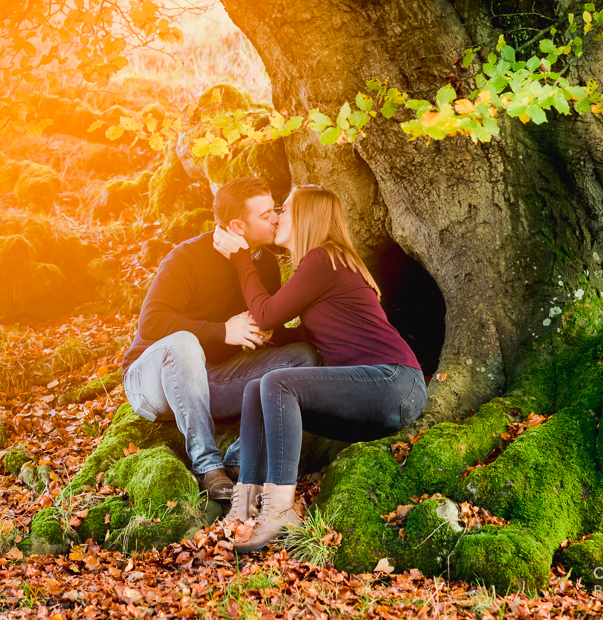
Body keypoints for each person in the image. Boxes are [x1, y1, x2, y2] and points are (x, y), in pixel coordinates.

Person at [214, 184, 427, 551]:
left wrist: (241, 259)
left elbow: (266, 312)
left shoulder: (324, 258)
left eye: (285, 209)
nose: (277, 216)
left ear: (306, 217)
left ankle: (280, 509)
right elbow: (296, 331)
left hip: (394, 381)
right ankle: (245, 506)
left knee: (278, 384)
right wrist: (262, 335)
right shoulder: (323, 265)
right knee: (257, 389)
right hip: (373, 390)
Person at [122, 177, 319, 501]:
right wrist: (223, 330)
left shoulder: (265, 263)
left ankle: (239, 460)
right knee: (185, 342)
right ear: (238, 226)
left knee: (301, 357)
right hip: (151, 383)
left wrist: (268, 333)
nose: (276, 218)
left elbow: (259, 321)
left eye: (276, 210)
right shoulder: (187, 257)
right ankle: (207, 465)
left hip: (210, 382)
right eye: (266, 214)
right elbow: (151, 323)